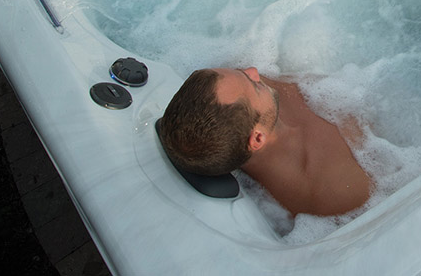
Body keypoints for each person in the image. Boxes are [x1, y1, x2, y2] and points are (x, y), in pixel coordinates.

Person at [159, 66, 371, 217]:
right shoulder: (334, 189)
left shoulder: (238, 100)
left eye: (242, 73)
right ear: (257, 138)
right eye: (254, 84)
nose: (253, 70)